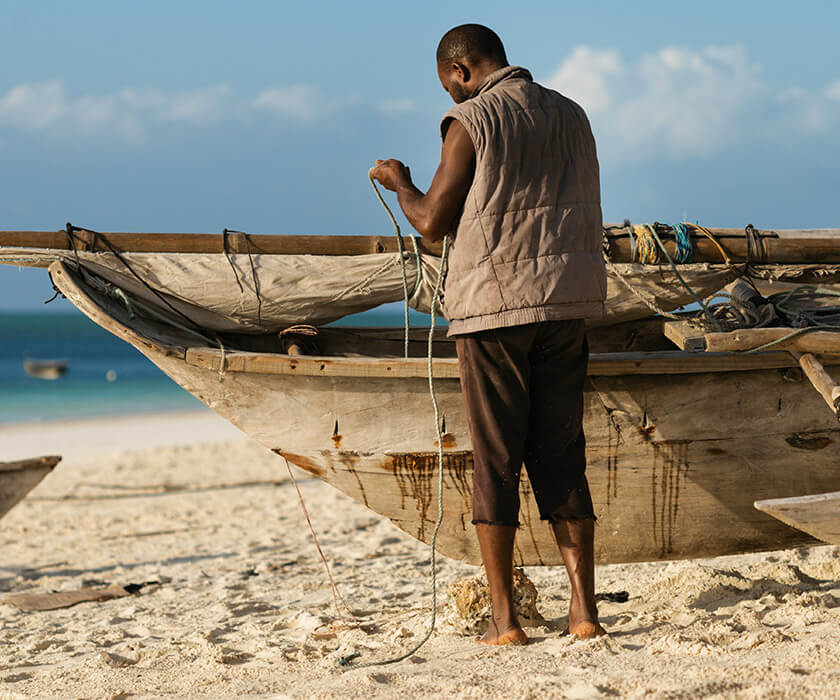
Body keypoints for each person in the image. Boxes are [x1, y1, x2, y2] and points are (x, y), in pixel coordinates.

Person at [371, 23, 607, 646]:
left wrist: (400, 181)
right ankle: (584, 614)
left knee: (496, 459)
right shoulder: (572, 114)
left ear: (460, 71)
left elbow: (431, 222)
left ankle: (505, 623)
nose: (451, 96)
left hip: (495, 311)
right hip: (567, 302)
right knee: (561, 455)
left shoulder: (472, 121)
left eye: (449, 85)